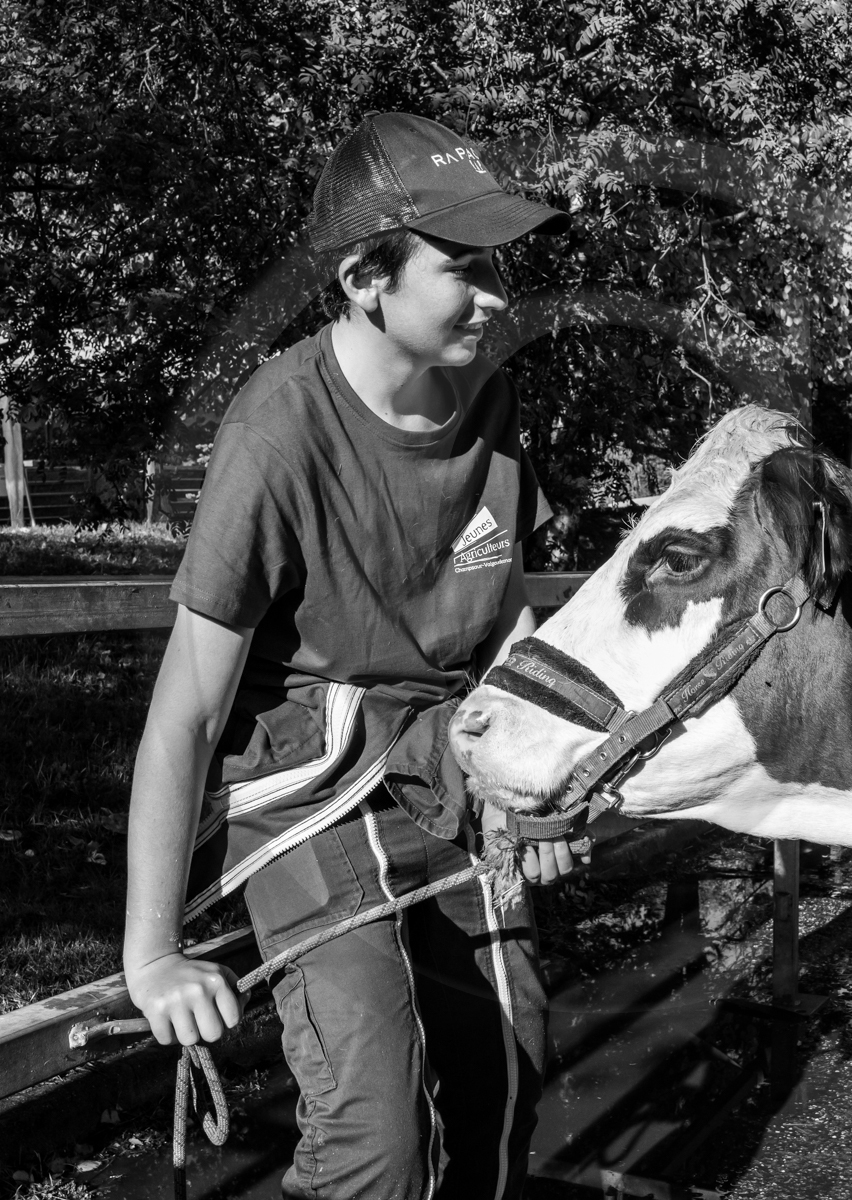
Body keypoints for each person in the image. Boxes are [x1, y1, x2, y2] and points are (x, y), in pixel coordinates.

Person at [123, 112, 574, 1200]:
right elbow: (185, 711)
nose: (498, 298)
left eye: (499, 267)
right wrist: (152, 956)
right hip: (312, 799)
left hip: (452, 767)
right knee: (377, 1134)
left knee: (505, 1083)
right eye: (463, 269)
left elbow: (508, 618)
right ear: (368, 277)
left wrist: (532, 782)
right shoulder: (276, 435)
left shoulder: (492, 402)